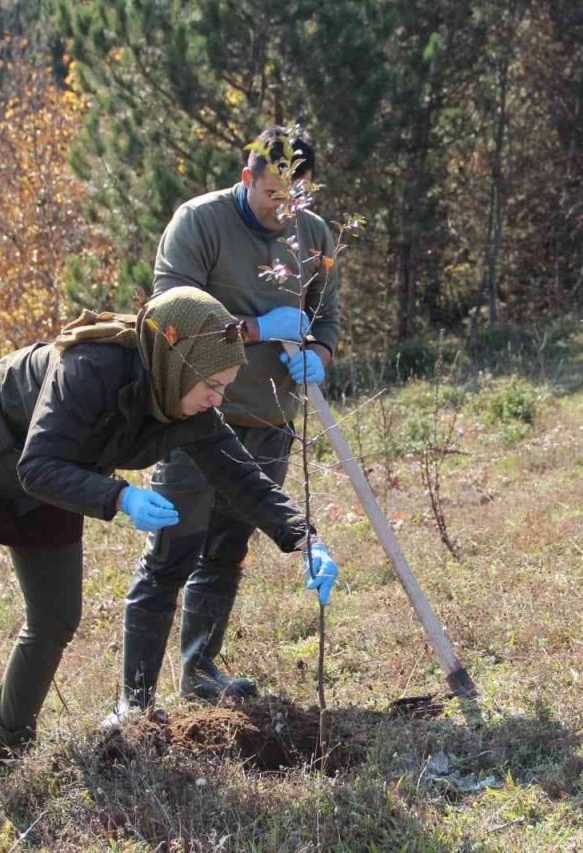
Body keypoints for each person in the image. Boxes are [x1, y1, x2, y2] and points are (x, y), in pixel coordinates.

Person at [0, 288, 339, 834]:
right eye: (212, 387)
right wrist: (120, 498)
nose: (217, 401)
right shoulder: (89, 368)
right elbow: (37, 464)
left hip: (59, 478)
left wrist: (305, 539)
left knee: (56, 619)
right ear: (180, 369)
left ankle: (9, 757)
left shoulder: (186, 397)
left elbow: (239, 474)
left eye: (224, 389)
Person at [114, 125, 341, 717]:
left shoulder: (312, 236)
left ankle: (200, 671)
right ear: (247, 179)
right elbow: (169, 324)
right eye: (271, 194)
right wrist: (262, 328)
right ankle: (135, 702)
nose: (281, 209)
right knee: (172, 554)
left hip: (268, 417)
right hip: (194, 418)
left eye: (294, 197)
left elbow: (329, 320)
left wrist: (317, 355)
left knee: (226, 551)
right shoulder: (199, 224)